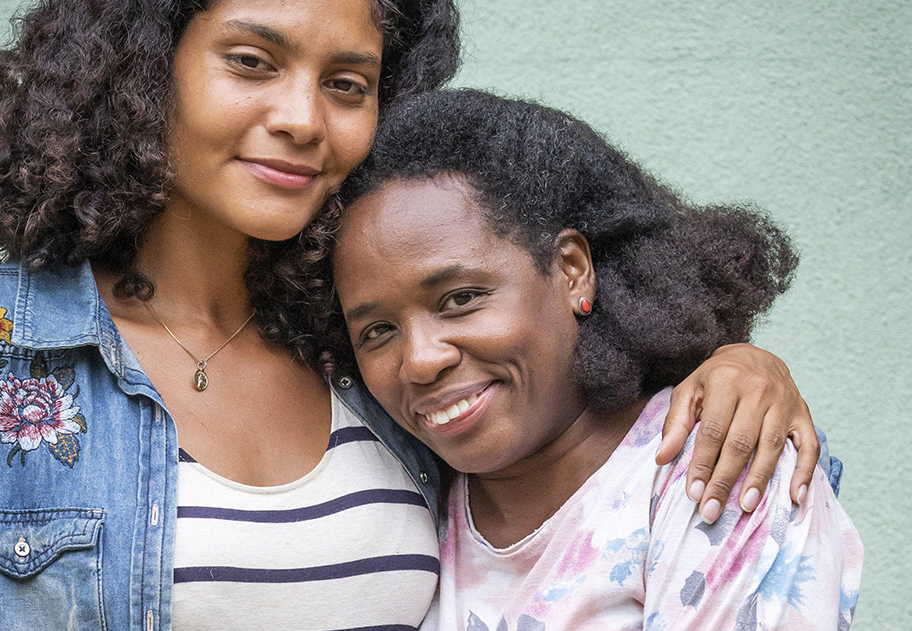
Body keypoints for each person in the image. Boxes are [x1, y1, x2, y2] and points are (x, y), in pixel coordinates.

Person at [0, 0, 830, 631]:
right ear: (144, 70)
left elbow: (583, 475)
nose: (303, 117)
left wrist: (733, 362)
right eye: (253, 62)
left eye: (347, 83)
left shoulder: (378, 356)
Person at [329, 88, 863, 630]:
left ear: (572, 269)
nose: (420, 361)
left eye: (461, 299)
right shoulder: (406, 501)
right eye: (377, 331)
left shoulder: (715, 467)